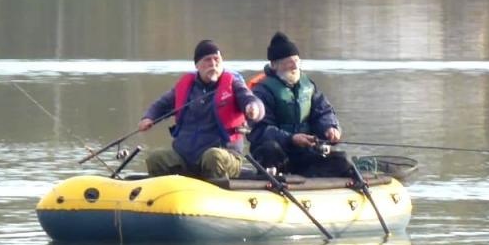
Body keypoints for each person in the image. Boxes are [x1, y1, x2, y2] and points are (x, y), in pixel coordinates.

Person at [139, 39, 266, 180]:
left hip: (225, 155)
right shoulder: (185, 86)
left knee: (213, 157)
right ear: (197, 65)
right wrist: (148, 118)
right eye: (207, 60)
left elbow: (252, 101)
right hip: (186, 157)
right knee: (156, 159)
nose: (213, 64)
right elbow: (161, 105)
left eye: (216, 59)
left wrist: (253, 108)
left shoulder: (234, 85)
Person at [247, 32, 347, 177]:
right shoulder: (261, 91)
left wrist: (330, 128)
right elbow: (260, 131)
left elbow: (323, 112)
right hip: (278, 153)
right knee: (270, 149)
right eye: (289, 61)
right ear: (274, 65)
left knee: (341, 161)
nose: (294, 66)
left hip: (306, 153)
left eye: (296, 60)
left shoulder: (309, 86)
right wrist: (291, 139)